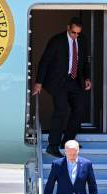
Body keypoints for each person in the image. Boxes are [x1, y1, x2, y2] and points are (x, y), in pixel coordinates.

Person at [33, 17, 92, 158]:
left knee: (79, 109)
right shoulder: (57, 41)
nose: (75, 35)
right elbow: (44, 61)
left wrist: (87, 78)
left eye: (78, 33)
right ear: (68, 28)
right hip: (57, 82)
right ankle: (52, 146)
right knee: (61, 109)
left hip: (74, 80)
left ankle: (67, 141)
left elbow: (84, 61)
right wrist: (39, 82)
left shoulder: (82, 41)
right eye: (73, 32)